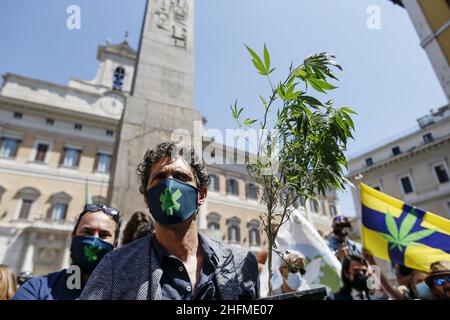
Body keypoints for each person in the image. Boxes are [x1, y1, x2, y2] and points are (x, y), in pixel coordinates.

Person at [81, 142, 260, 300]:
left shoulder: (242, 262)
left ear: (202, 195)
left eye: (181, 176)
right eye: (160, 177)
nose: (169, 184)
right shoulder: (115, 266)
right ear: (147, 199)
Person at [13, 204, 120, 300]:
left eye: (103, 235)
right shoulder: (37, 288)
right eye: (87, 232)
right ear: (73, 236)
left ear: (115, 245)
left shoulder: (128, 292)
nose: (94, 241)